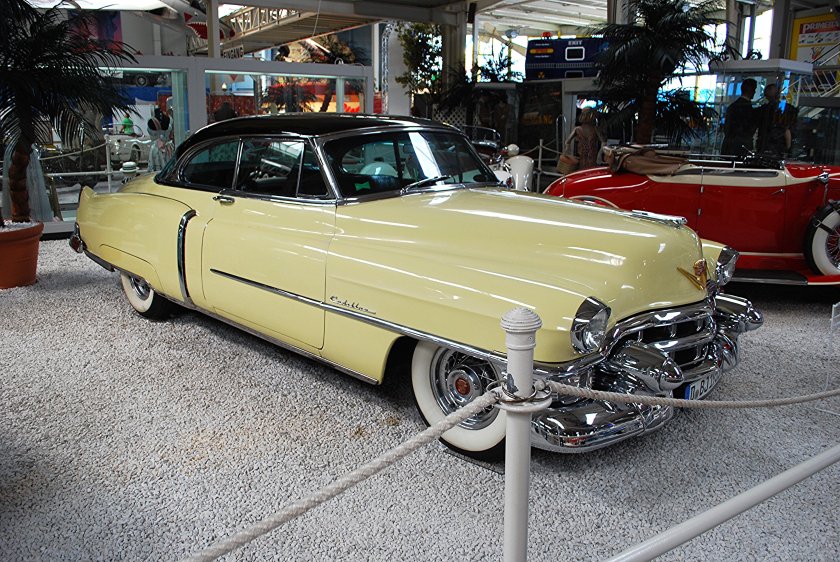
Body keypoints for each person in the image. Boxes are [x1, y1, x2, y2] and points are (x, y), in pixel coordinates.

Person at [756, 84, 798, 158]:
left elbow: (786, 130)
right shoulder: (787, 109)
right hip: (777, 148)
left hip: (767, 147)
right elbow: (787, 130)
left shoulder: (763, 110)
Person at [720, 78, 757, 156]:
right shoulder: (748, 109)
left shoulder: (732, 106)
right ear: (752, 91)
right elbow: (750, 129)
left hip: (728, 146)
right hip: (742, 148)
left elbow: (726, 128)